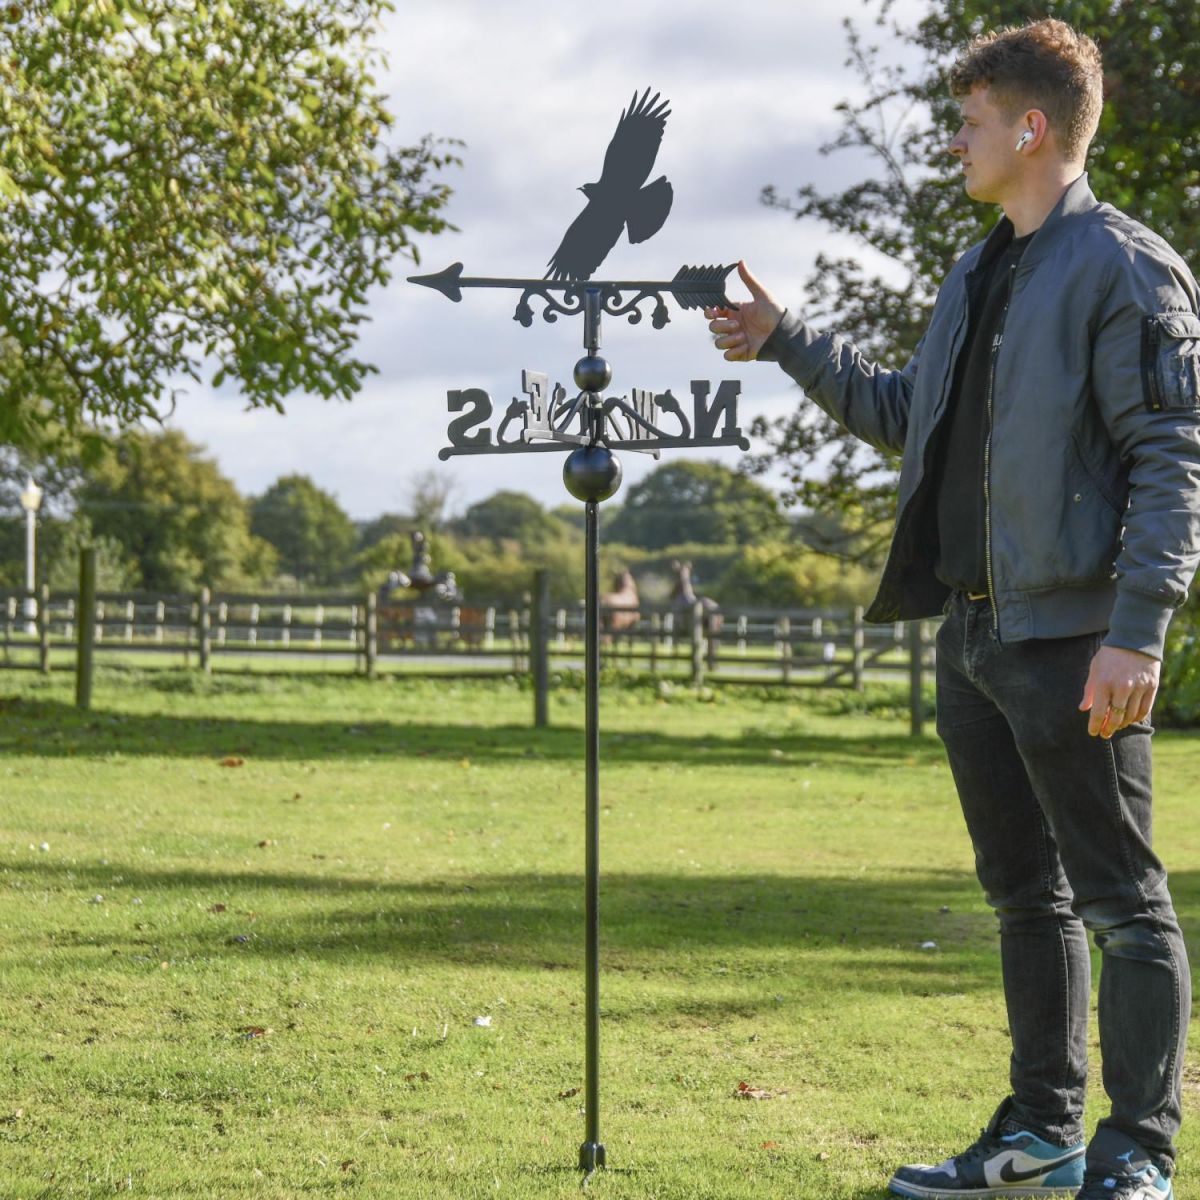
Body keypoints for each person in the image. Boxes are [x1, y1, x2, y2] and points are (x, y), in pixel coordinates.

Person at [706, 18, 1200, 1200]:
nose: (953, 141)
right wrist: (785, 343)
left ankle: (1138, 1152)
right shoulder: (978, 271)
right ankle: (1043, 1134)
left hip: (1076, 641)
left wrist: (1136, 633)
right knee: (1025, 899)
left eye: (970, 121)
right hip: (974, 637)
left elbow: (1174, 458)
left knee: (1123, 904)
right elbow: (906, 416)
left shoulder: (1128, 269)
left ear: (1030, 128)